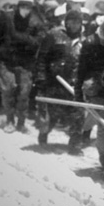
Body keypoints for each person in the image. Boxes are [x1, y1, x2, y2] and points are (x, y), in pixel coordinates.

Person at [74, 17, 104, 169]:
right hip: (95, 89)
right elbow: (81, 70)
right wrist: (78, 93)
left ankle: (85, 130)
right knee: (103, 124)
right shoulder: (89, 44)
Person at [0, 0, 46, 132]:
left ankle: (21, 122)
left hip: (26, 62)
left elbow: (39, 41)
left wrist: (20, 37)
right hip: (6, 60)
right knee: (8, 89)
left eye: (28, 8)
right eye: (23, 7)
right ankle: (9, 120)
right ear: (18, 6)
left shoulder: (36, 21)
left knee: (24, 92)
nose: (25, 10)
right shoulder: (7, 18)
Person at [35, 9, 86, 154]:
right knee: (53, 114)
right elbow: (41, 59)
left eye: (77, 22)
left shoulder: (84, 40)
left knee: (78, 114)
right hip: (54, 83)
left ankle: (75, 145)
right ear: (66, 22)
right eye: (71, 22)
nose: (74, 25)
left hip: (74, 84)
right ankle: (43, 135)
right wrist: (41, 78)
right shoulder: (54, 36)